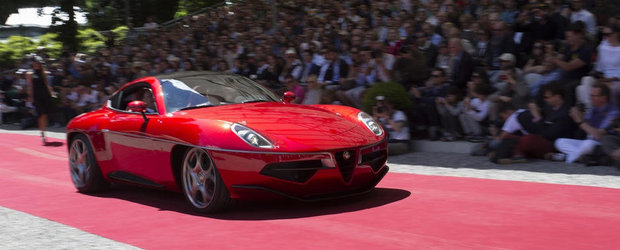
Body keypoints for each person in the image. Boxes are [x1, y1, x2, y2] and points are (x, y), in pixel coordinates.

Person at [552, 83, 619, 163]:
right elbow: (584, 127)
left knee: (588, 144)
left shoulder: (613, 112)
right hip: (587, 142)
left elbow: (599, 135)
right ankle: (579, 157)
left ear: (603, 98)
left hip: (601, 144)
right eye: (590, 95)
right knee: (560, 142)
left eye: (593, 96)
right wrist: (579, 115)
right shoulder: (593, 109)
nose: (591, 98)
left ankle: (568, 157)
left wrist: (580, 121)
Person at [26, 56, 55, 144]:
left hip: (45, 95)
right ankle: (42, 133)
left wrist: (52, 93)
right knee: (40, 114)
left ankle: (44, 131)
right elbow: (30, 86)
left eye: (38, 62)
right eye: (35, 62)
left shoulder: (43, 72)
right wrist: (30, 97)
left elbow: (47, 84)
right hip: (37, 96)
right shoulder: (29, 73)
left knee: (45, 114)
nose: (36, 64)